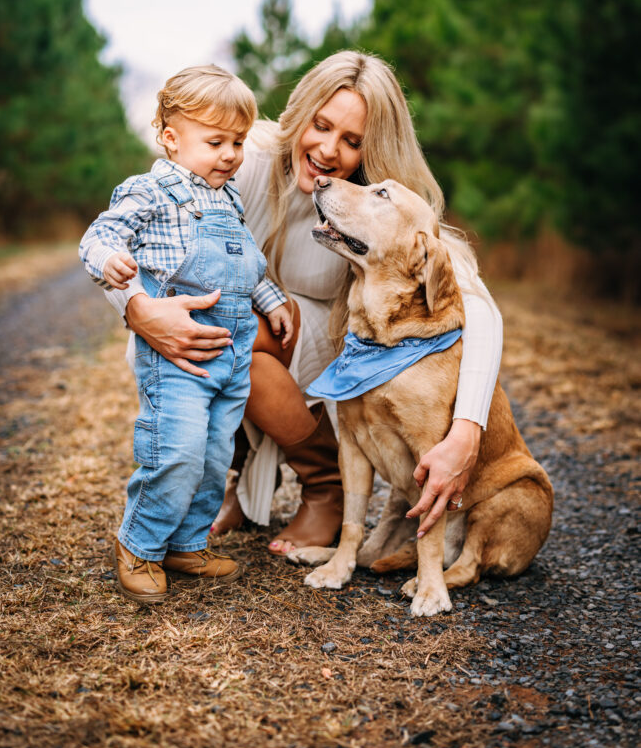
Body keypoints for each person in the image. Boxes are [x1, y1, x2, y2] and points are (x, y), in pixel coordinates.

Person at [105, 52, 503, 559]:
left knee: (229, 341)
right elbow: (142, 230)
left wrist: (468, 429)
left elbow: (481, 309)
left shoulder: (381, 198)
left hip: (326, 332)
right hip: (255, 312)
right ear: (303, 112)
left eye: (352, 141)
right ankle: (229, 484)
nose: (328, 150)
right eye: (321, 125)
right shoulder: (242, 153)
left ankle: (325, 483)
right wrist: (137, 308)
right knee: (191, 334)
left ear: (372, 148)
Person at [79, 65, 294, 603]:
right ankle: (140, 545)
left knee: (213, 456)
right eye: (215, 141)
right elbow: (97, 235)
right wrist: (110, 261)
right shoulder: (151, 191)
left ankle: (186, 543)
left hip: (232, 355)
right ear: (172, 139)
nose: (230, 154)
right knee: (175, 449)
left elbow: (248, 266)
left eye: (239, 142)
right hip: (177, 357)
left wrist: (270, 301)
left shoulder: (230, 200)